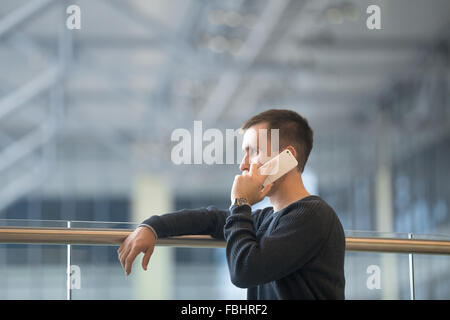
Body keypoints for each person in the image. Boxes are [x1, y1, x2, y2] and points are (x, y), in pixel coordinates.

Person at [118, 109, 346, 300]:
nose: (243, 164)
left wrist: (241, 201)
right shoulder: (270, 218)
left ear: (286, 157)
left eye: (253, 152)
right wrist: (152, 227)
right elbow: (211, 219)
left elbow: (245, 270)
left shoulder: (312, 215)